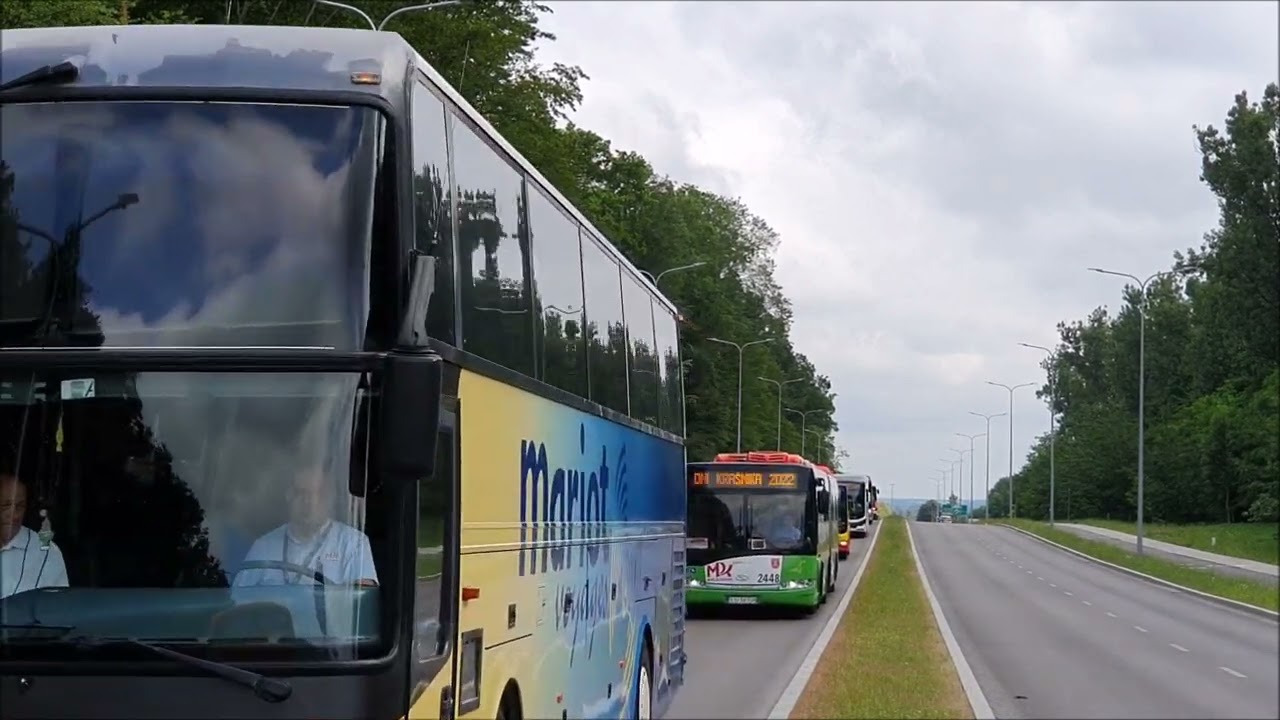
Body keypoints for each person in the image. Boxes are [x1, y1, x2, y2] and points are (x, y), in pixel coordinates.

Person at [234, 466, 378, 588]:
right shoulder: (264, 547)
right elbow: (238, 602)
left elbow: (362, 603)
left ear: (329, 499)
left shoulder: (353, 544)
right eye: (301, 493)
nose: (308, 502)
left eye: (317, 494)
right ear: (289, 496)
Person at [0, 472, 69, 599]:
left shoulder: (47, 553)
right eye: (6, 506)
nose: (14, 515)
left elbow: (55, 610)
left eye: (20, 506)